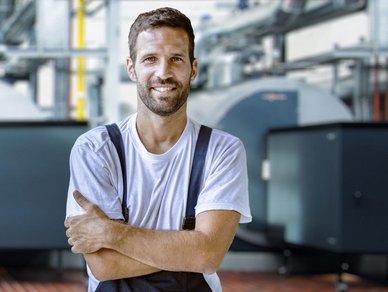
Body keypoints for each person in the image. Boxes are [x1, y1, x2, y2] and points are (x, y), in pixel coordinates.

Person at [65, 7, 251, 292]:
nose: (163, 73)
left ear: (194, 68)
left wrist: (112, 233)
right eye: (150, 59)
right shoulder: (96, 149)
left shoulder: (222, 150)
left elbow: (208, 255)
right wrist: (189, 247)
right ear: (132, 68)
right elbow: (105, 265)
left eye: (176, 59)